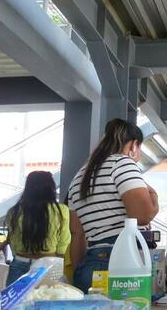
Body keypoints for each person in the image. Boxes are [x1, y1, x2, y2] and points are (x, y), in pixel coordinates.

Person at [68, 118, 159, 293]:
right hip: (122, 263)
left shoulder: (79, 177)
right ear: (133, 145)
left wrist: (79, 273)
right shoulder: (123, 164)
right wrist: (154, 199)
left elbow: (77, 235)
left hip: (89, 264)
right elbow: (142, 216)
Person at [5, 171, 70, 285]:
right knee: (49, 301)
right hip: (49, 264)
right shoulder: (61, 210)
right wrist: (57, 259)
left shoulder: (15, 211)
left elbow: (13, 243)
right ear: (51, 188)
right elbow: (64, 241)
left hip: (20, 263)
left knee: (18, 301)